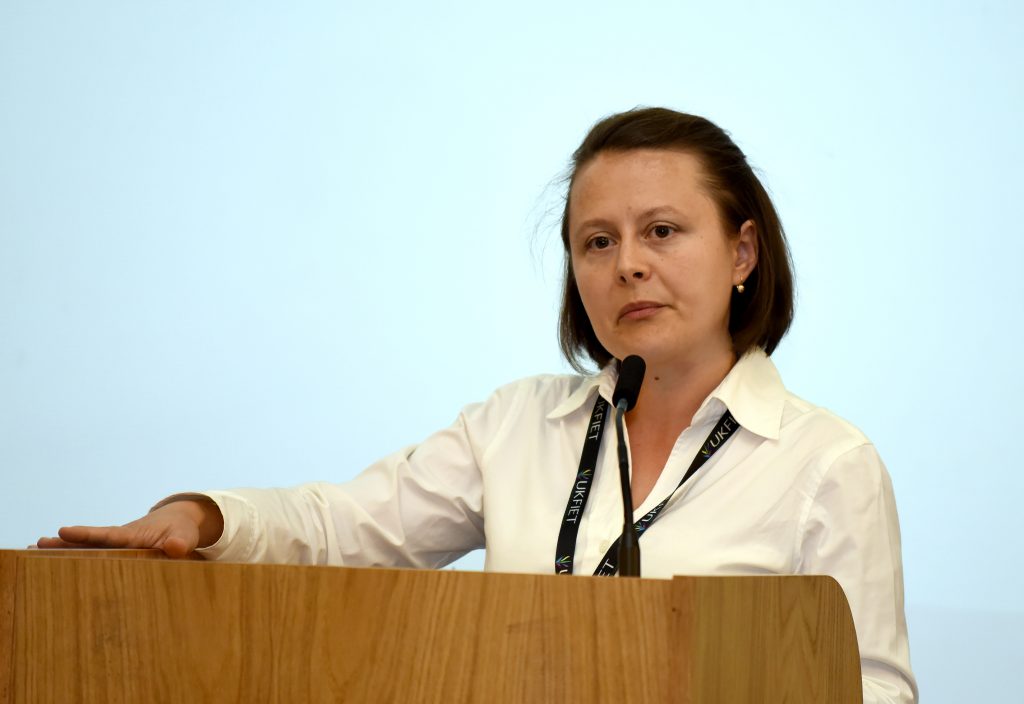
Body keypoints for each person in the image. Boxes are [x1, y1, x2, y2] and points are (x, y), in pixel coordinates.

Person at [39, 108, 917, 703]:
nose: (628, 266)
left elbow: (873, 693)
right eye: (596, 242)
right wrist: (201, 516)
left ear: (742, 252)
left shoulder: (824, 464)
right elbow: (346, 529)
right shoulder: (518, 426)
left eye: (662, 231)